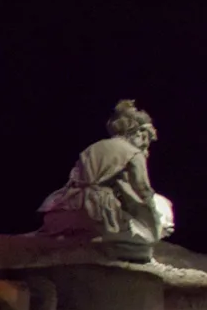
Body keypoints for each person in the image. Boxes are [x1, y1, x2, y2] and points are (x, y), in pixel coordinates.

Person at [37, 99, 173, 261]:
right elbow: (142, 191)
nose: (146, 145)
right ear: (139, 133)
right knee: (145, 240)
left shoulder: (93, 147)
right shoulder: (133, 153)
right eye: (147, 139)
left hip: (65, 206)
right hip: (97, 213)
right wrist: (153, 225)